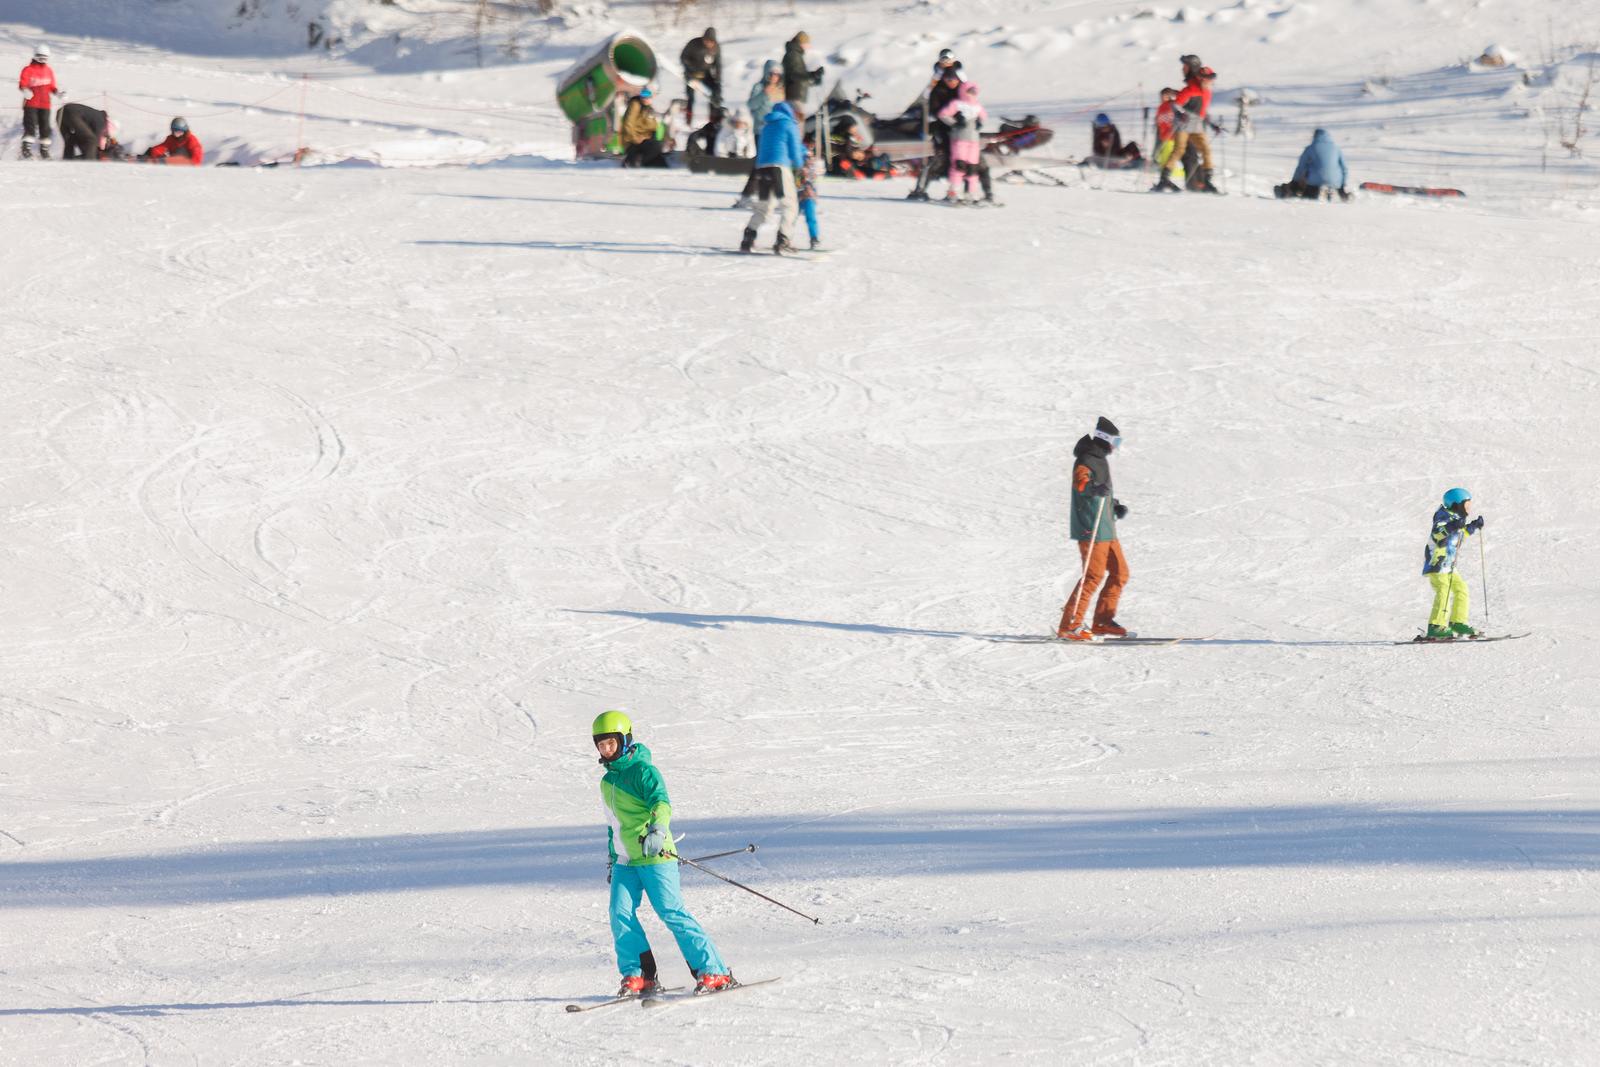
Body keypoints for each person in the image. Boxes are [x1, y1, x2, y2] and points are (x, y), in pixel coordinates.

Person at [591, 710, 734, 996]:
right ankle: (639, 975)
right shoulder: (607, 782)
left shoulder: (644, 772)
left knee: (671, 912)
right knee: (619, 914)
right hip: (625, 861)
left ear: (625, 740)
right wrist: (611, 857)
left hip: (656, 856)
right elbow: (613, 825)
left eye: (611, 743)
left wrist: (657, 830)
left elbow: (661, 804)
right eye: (601, 744)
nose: (606, 750)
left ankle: (714, 971)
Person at [1056, 417, 1132, 641]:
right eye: (1115, 442)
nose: (1115, 447)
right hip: (1092, 528)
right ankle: (1070, 624)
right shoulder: (1086, 458)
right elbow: (1082, 482)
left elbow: (1102, 489)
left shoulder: (1100, 460)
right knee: (1093, 575)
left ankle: (1102, 621)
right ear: (1106, 439)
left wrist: (1114, 505)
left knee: (1120, 573)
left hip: (1106, 527)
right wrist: (1091, 487)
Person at [740, 100, 804, 254]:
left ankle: (748, 237)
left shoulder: (766, 127)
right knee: (790, 206)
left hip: (763, 168)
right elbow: (795, 151)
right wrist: (800, 166)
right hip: (780, 168)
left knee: (764, 207)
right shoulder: (789, 124)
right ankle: (783, 240)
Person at [1421, 488, 1485, 639]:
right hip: (1437, 561)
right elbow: (1438, 533)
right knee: (1444, 590)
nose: (1468, 508)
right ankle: (1436, 626)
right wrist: (1453, 526)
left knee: (1461, 589)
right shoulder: (1443, 516)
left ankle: (1457, 622)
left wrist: (1473, 526)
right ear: (1456, 504)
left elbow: (1461, 533)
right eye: (1466, 505)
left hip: (1449, 565)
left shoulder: (1456, 517)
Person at [1154, 56, 1218, 193]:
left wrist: (1213, 125)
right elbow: (1177, 104)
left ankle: (1206, 182)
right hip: (1185, 124)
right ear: (1201, 78)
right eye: (1207, 80)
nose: (1209, 83)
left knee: (1204, 150)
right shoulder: (1191, 89)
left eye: (1211, 80)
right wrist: (1180, 114)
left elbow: (1201, 110)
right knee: (1180, 151)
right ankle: (1165, 179)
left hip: (1196, 124)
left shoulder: (1204, 91)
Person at [908, 61, 963, 201]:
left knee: (961, 162)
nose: (952, 82)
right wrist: (951, 119)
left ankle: (960, 192)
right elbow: (935, 111)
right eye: (949, 79)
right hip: (942, 130)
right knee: (938, 159)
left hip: (960, 133)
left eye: (954, 79)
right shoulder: (937, 90)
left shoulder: (961, 89)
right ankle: (920, 189)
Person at [733, 62, 785, 208]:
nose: (774, 77)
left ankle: (765, 197)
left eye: (777, 74)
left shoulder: (781, 89)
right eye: (772, 74)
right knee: (764, 164)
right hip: (761, 131)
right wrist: (764, 94)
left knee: (772, 165)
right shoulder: (759, 87)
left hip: (777, 132)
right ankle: (753, 196)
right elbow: (751, 106)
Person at [938, 80, 988, 204]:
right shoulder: (957, 104)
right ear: (963, 92)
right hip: (959, 139)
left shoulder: (977, 106)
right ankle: (954, 192)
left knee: (972, 167)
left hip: (973, 141)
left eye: (974, 92)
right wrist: (955, 122)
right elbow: (943, 114)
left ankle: (972, 193)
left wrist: (980, 122)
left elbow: (984, 116)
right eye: (969, 91)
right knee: (959, 165)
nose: (972, 94)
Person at [1275, 128, 1350, 200]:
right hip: (1336, 183)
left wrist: (1294, 182)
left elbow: (1301, 167)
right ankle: (1338, 195)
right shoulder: (1336, 148)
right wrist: (1342, 186)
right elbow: (1344, 169)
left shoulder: (1310, 148)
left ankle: (1291, 192)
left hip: (1314, 183)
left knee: (1307, 176)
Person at [19, 43, 61, 160]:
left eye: (45, 57)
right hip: (31, 104)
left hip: (45, 104)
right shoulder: (28, 69)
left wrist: (58, 93)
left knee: (45, 127)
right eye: (40, 56)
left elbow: (52, 86)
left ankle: (44, 151)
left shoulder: (49, 71)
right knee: (31, 126)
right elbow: (22, 83)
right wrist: (25, 90)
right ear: (35, 56)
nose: (42, 60)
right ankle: (26, 150)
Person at [680, 27, 722, 128]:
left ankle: (713, 122)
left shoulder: (716, 48)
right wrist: (689, 70)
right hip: (692, 73)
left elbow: (718, 64)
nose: (708, 43)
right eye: (706, 40)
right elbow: (683, 57)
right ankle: (688, 120)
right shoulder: (694, 43)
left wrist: (718, 80)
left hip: (706, 73)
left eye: (711, 41)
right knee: (691, 98)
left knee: (714, 95)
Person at [57, 102, 124, 160]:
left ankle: (67, 160)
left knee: (70, 140)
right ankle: (89, 163)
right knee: (91, 140)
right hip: (72, 113)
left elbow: (85, 135)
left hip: (60, 112)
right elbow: (95, 139)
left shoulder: (95, 117)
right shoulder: (101, 120)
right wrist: (100, 151)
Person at [619, 89, 667, 168]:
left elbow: (651, 126)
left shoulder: (649, 107)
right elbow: (629, 123)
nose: (645, 99)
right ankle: (633, 162)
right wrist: (636, 138)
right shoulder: (635, 104)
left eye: (647, 97)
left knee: (656, 151)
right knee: (652, 148)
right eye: (643, 97)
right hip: (633, 140)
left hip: (645, 138)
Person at [782, 32, 824, 106]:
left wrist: (814, 76)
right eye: (807, 43)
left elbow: (800, 75)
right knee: (796, 117)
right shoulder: (793, 55)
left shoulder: (796, 54)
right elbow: (794, 76)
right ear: (801, 42)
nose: (809, 46)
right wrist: (812, 76)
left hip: (797, 95)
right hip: (794, 95)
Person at [797, 136, 822, 249]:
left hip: (808, 195)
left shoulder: (812, 162)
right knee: (790, 217)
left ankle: (814, 238)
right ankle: (783, 238)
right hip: (797, 194)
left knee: (810, 217)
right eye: (809, 145)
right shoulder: (798, 162)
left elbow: (813, 177)